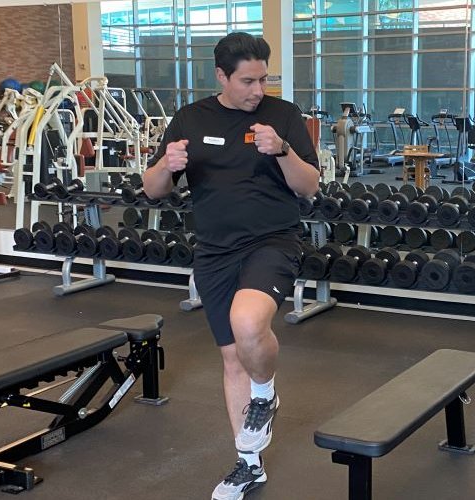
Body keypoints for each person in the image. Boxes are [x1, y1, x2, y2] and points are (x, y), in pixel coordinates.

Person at [141, 32, 320, 500]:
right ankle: (248, 464)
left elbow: (309, 186)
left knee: (247, 322)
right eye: (247, 81)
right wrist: (166, 164)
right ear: (221, 76)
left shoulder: (283, 117)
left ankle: (266, 393)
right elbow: (154, 188)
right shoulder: (190, 118)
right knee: (231, 358)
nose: (258, 90)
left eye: (263, 78)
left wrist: (283, 150)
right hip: (214, 250)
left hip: (272, 241)